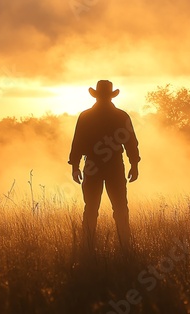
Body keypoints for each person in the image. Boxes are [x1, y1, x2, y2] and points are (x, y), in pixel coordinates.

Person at [68, 80, 141, 254]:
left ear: (97, 95)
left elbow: (77, 142)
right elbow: (131, 142)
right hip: (115, 166)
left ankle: (87, 247)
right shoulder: (121, 116)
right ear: (110, 96)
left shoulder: (86, 116)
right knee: (120, 207)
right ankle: (125, 247)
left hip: (93, 166)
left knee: (91, 208)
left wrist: (75, 166)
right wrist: (134, 164)